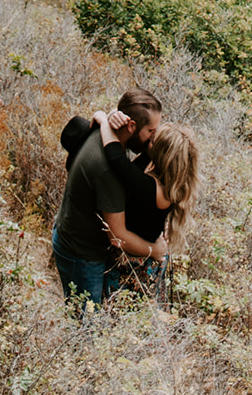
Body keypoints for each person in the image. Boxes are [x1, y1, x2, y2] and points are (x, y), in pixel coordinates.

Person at [51, 88, 162, 307]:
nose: (154, 137)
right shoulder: (107, 171)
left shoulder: (106, 133)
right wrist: (156, 250)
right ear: (131, 126)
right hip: (81, 255)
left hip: (72, 236)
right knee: (86, 327)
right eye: (151, 130)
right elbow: (117, 236)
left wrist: (106, 115)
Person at [92, 109, 199, 304]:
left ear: (161, 155)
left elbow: (117, 160)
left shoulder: (153, 189)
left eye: (152, 142)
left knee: (121, 317)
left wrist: (103, 120)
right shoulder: (166, 177)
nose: (148, 142)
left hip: (135, 265)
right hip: (142, 259)